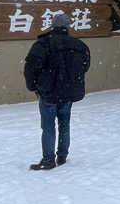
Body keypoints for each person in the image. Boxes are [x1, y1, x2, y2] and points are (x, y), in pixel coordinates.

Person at [23, 13, 91, 171]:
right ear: (68, 27)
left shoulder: (43, 44)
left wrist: (33, 86)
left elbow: (31, 67)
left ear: (52, 26)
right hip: (68, 93)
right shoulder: (79, 45)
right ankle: (62, 156)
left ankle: (48, 160)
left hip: (48, 93)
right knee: (64, 124)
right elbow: (85, 66)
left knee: (48, 127)